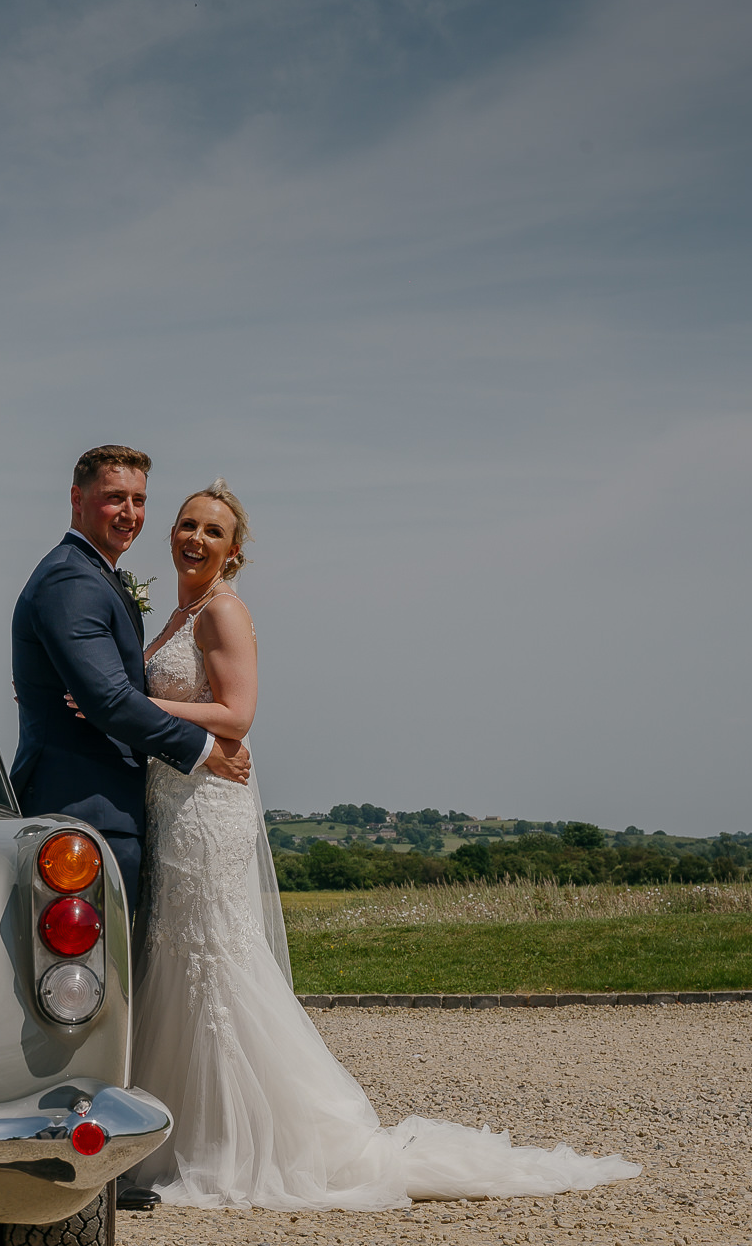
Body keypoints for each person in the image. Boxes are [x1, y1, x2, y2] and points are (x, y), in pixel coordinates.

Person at [126, 479, 641, 1208]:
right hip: (172, 801)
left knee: (217, 962)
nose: (196, 538)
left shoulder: (223, 611)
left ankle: (240, 1146)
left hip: (209, 808)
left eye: (213, 531)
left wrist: (135, 702)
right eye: (187, 524)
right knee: (179, 960)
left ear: (235, 552)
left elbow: (237, 714)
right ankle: (180, 1131)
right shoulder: (176, 610)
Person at [11, 446, 253, 1210]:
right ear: (78, 498)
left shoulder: (106, 581)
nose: (130, 513)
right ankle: (80, 1165)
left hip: (132, 805)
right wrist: (204, 749)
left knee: (114, 986)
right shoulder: (70, 581)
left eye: (139, 500)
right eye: (116, 497)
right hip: (88, 809)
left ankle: (121, 1154)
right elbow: (110, 703)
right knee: (85, 989)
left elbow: (126, 699)